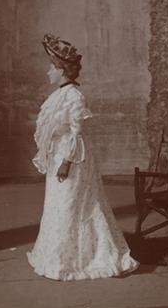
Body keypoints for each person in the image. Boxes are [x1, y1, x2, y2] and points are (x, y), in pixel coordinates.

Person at [27, 33, 139, 280]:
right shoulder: (57, 95)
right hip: (59, 156)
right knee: (58, 205)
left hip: (72, 159)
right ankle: (56, 257)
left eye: (51, 68)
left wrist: (66, 162)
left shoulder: (75, 96)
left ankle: (78, 260)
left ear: (61, 70)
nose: (48, 72)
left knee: (71, 204)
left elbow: (77, 133)